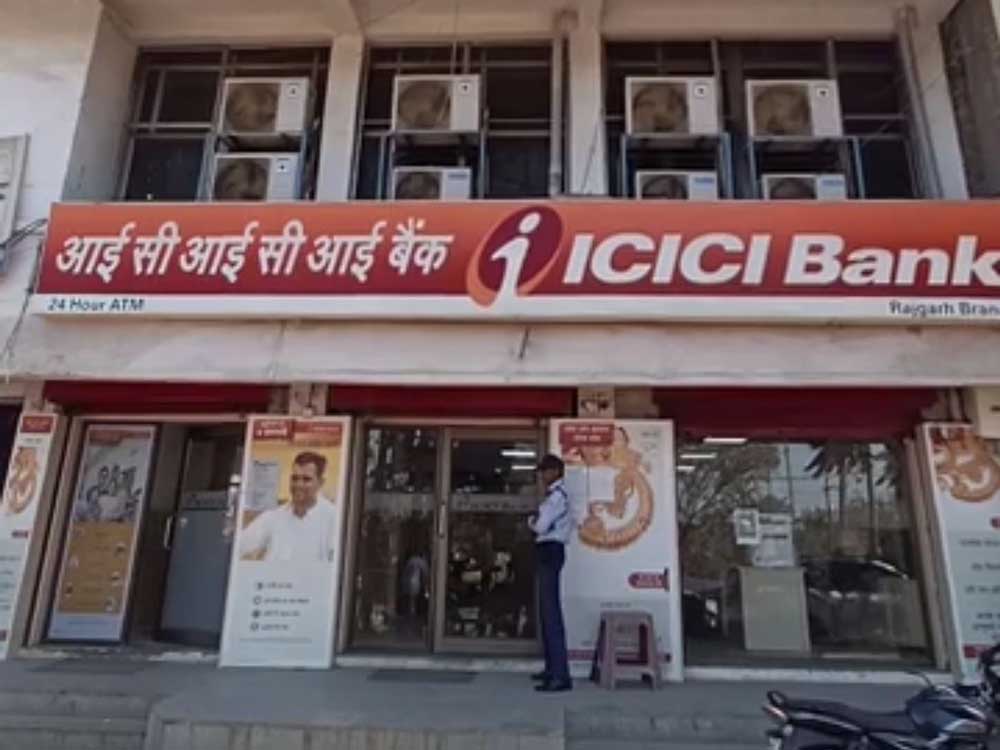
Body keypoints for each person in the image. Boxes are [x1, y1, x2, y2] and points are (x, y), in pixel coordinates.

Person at [239, 451, 337, 563]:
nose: (298, 484)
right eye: (295, 478)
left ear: (321, 482)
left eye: (306, 479)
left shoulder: (334, 518)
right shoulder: (273, 516)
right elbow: (239, 545)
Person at [529, 453, 573, 692]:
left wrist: (531, 522)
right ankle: (551, 668)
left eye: (545, 471)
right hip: (549, 550)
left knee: (551, 614)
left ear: (555, 471)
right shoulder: (555, 495)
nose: (542, 476)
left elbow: (541, 526)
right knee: (547, 614)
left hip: (550, 550)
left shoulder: (557, 497)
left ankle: (560, 675)